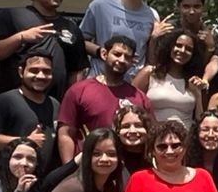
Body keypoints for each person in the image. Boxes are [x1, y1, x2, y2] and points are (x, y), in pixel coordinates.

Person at [0, 0, 89, 100]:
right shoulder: (10, 16)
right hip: (12, 105)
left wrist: (72, 104)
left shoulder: (71, 28)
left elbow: (77, 71)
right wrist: (21, 37)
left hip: (53, 107)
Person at [55, 36, 150, 164]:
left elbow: (149, 135)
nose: (121, 60)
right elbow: (66, 133)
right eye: (117, 54)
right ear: (105, 54)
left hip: (128, 170)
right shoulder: (79, 90)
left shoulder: (139, 96)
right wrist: (68, 169)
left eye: (127, 57)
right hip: (87, 166)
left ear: (132, 61)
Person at [0, 47, 57, 173]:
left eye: (46, 71)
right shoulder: (4, 101)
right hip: (6, 179)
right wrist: (25, 141)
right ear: (21, 72)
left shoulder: (55, 105)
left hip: (42, 181)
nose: (41, 76)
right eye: (34, 70)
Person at [81, 0, 159, 74]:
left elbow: (150, 56)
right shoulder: (100, 6)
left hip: (133, 84)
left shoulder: (152, 15)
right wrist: (100, 52)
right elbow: (80, 41)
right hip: (100, 79)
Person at [131, 31, 204, 127]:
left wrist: (198, 94)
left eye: (188, 49)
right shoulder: (150, 73)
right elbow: (130, 104)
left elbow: (201, 121)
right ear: (169, 47)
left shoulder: (194, 80)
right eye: (178, 45)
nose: (182, 50)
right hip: (154, 136)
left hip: (185, 138)